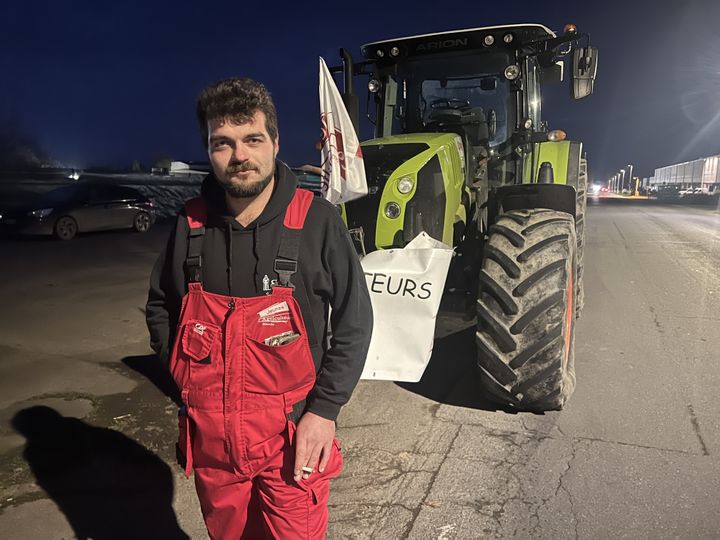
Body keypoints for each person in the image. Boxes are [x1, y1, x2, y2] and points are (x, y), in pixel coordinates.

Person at [145, 77, 373, 539]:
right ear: (208, 149)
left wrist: (324, 412)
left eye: (252, 139)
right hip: (213, 444)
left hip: (291, 440)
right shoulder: (190, 226)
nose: (239, 156)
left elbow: (354, 322)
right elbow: (160, 308)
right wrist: (189, 388)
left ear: (274, 142)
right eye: (222, 144)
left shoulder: (315, 222)